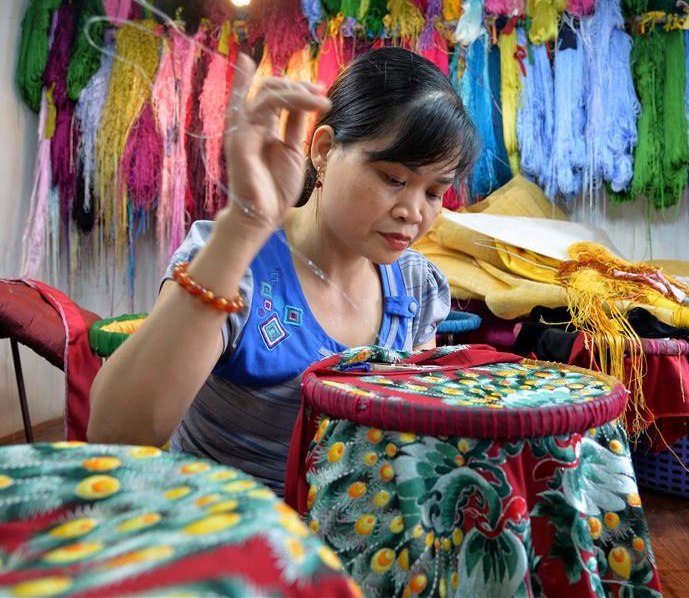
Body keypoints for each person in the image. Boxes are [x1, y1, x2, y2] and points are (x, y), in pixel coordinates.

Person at [88, 47, 481, 494]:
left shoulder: (415, 287)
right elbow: (116, 434)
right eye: (394, 179)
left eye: (433, 192)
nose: (413, 211)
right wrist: (242, 227)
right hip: (227, 524)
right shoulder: (235, 265)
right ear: (325, 150)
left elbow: (410, 437)